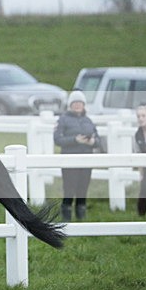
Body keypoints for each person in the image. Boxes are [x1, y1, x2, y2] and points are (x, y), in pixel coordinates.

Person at [53, 90, 99, 221]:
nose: (78, 105)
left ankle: (81, 217)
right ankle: (66, 218)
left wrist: (92, 142)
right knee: (69, 188)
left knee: (83, 188)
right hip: (69, 160)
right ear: (70, 105)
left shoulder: (88, 121)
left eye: (80, 102)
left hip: (86, 160)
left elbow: (98, 140)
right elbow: (57, 139)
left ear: (84, 105)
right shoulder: (63, 120)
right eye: (75, 102)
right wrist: (75, 140)